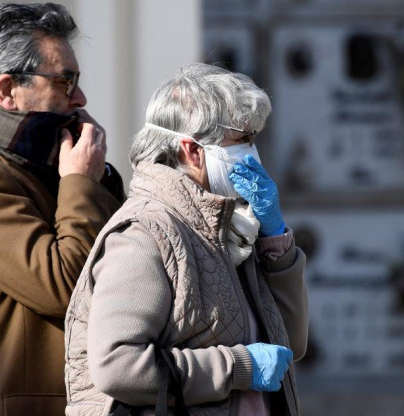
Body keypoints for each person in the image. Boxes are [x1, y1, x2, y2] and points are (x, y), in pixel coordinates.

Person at [65, 63, 309, 416]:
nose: (253, 152)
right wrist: (238, 367)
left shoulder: (234, 228)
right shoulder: (144, 233)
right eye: (242, 140)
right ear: (192, 151)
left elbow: (290, 343)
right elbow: (117, 366)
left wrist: (275, 240)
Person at [0, 3, 124, 416]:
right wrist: (80, 183)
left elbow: (123, 262)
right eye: (64, 81)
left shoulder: (32, 159)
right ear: (6, 91)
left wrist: (94, 178)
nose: (81, 98)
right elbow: (67, 289)